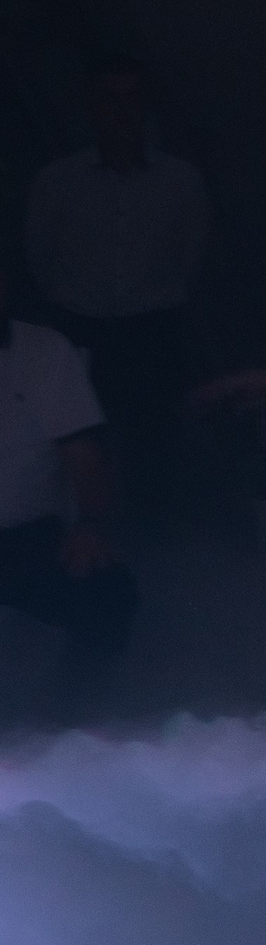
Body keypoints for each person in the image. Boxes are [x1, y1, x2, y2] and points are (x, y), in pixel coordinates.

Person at [26, 59, 209, 521]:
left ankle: (151, 535)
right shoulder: (58, 181)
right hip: (80, 327)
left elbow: (191, 255)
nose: (122, 111)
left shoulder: (180, 181)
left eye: (132, 98)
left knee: (154, 441)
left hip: (153, 328)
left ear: (146, 107)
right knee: (78, 437)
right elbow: (40, 255)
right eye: (110, 99)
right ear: (92, 107)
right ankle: (83, 531)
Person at [0, 260, 138, 657]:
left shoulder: (43, 352)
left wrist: (91, 524)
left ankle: (78, 698)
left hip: (27, 538)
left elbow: (86, 455)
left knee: (108, 593)